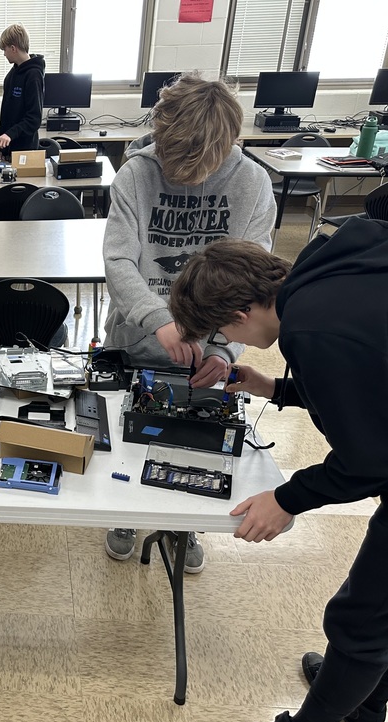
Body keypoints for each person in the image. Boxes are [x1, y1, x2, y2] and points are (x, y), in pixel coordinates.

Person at [167, 219, 388, 722]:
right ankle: (364, 703)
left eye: (229, 335)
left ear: (241, 314)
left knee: (360, 622)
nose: (238, 344)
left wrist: (287, 498)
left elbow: (372, 459)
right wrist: (278, 388)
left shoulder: (316, 328)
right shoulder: (338, 270)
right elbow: (382, 376)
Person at [101, 72, 276, 572]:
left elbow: (252, 288)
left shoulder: (251, 184)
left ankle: (183, 521)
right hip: (136, 338)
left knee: (194, 441)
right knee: (130, 434)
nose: (184, 176)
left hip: (210, 348)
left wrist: (222, 350)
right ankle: (125, 513)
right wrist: (159, 319)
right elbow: (118, 260)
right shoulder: (135, 174)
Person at [0, 24, 44, 153]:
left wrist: (10, 134)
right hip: (9, 146)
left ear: (13, 48)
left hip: (24, 149)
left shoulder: (33, 75)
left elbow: (34, 119)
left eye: (4, 50)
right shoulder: (14, 72)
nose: (4, 54)